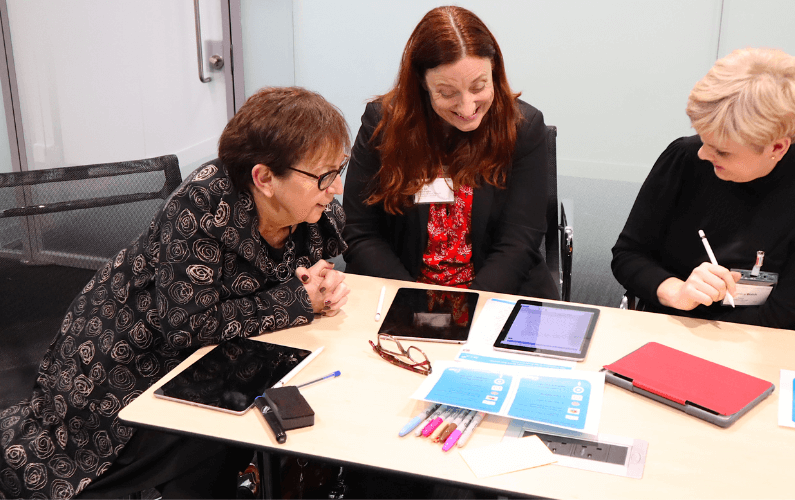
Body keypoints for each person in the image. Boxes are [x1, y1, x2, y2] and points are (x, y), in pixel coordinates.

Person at [0, 87, 351, 499]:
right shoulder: (202, 205)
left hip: (212, 360)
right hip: (123, 368)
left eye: (338, 169)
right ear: (264, 178)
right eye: (324, 175)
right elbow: (188, 326)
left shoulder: (313, 210)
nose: (338, 187)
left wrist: (320, 289)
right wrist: (295, 301)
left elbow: (307, 276)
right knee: (221, 437)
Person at [611, 48, 795, 333]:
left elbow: (786, 315)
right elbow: (629, 254)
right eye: (702, 139)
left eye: (721, 151)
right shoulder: (685, 157)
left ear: (776, 147)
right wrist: (677, 293)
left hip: (765, 345)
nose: (704, 155)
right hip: (671, 327)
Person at [342, 5, 558, 300]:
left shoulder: (522, 128)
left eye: (479, 86)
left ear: (494, 71)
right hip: (399, 289)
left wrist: (467, 309)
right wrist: (411, 300)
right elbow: (360, 231)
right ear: (421, 83)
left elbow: (519, 241)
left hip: (496, 292)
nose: (467, 107)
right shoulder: (383, 124)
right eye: (447, 93)